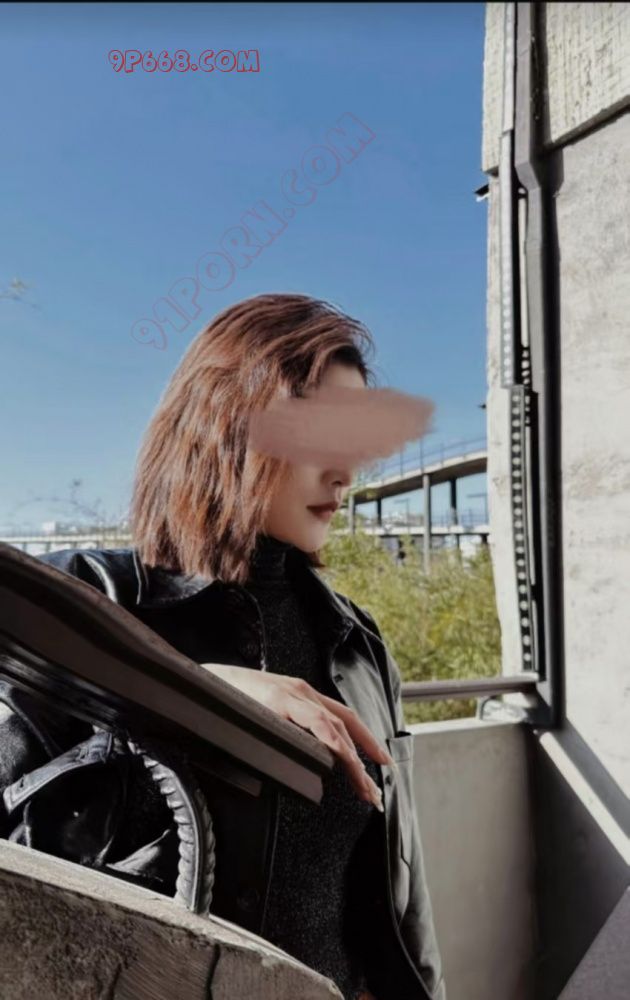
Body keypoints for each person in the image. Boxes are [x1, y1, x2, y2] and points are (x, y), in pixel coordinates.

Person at [0, 293, 446, 1000]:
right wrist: (197, 691)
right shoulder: (89, 598)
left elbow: (403, 897)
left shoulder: (357, 646)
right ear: (228, 423)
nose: (345, 472)